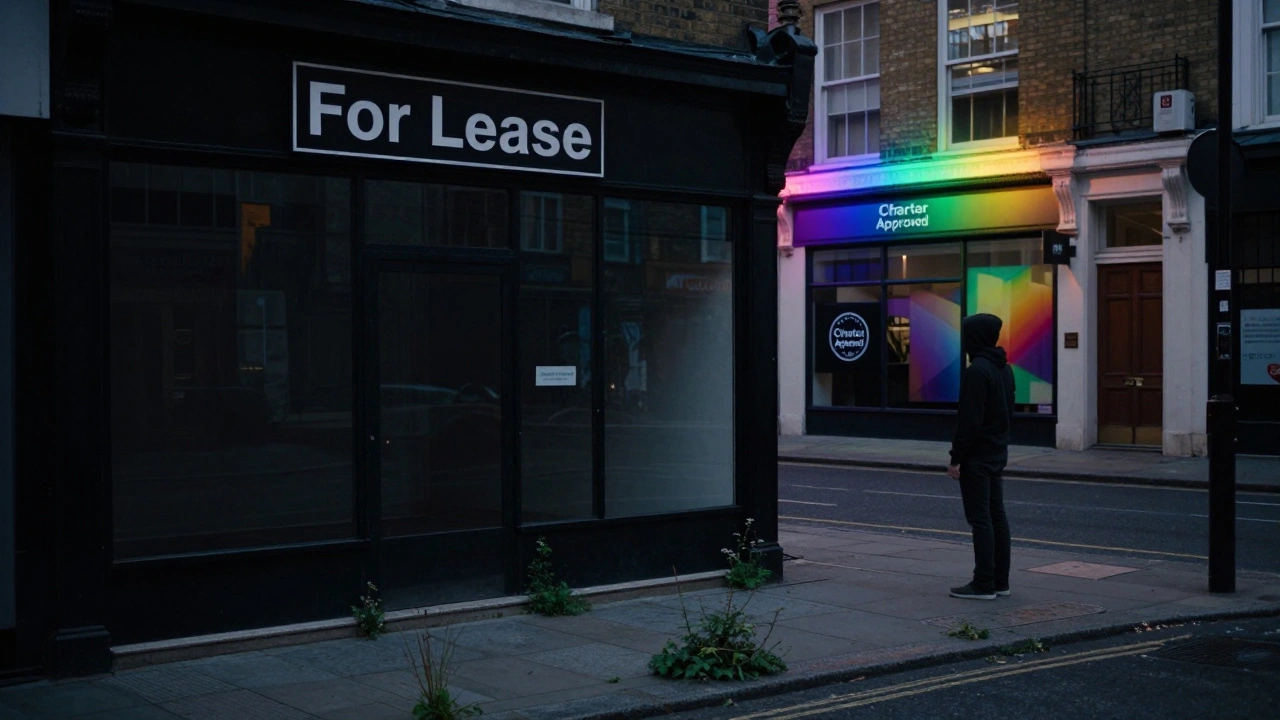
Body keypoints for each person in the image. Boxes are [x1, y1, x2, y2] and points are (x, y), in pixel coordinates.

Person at [946, 313, 1015, 601]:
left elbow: (969, 422)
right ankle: (1000, 582)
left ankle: (983, 582)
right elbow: (1008, 413)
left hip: (977, 457)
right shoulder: (1004, 369)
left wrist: (956, 458)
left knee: (981, 520)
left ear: (974, 338)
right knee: (997, 516)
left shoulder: (977, 372)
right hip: (997, 452)